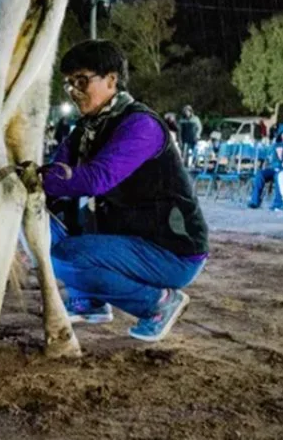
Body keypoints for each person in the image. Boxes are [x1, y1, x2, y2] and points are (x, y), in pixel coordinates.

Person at [42, 40, 208, 343]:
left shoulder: (140, 125)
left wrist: (44, 181)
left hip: (170, 250)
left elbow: (96, 179)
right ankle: (90, 301)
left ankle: (157, 303)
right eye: (68, 83)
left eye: (82, 81)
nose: (73, 91)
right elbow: (55, 174)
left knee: (63, 256)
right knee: (40, 227)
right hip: (129, 236)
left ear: (111, 80)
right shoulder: (86, 129)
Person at [247, 122, 283, 210]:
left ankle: (278, 203)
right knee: (260, 174)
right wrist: (277, 165)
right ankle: (255, 201)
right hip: (275, 168)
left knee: (279, 176)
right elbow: (273, 159)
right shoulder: (276, 145)